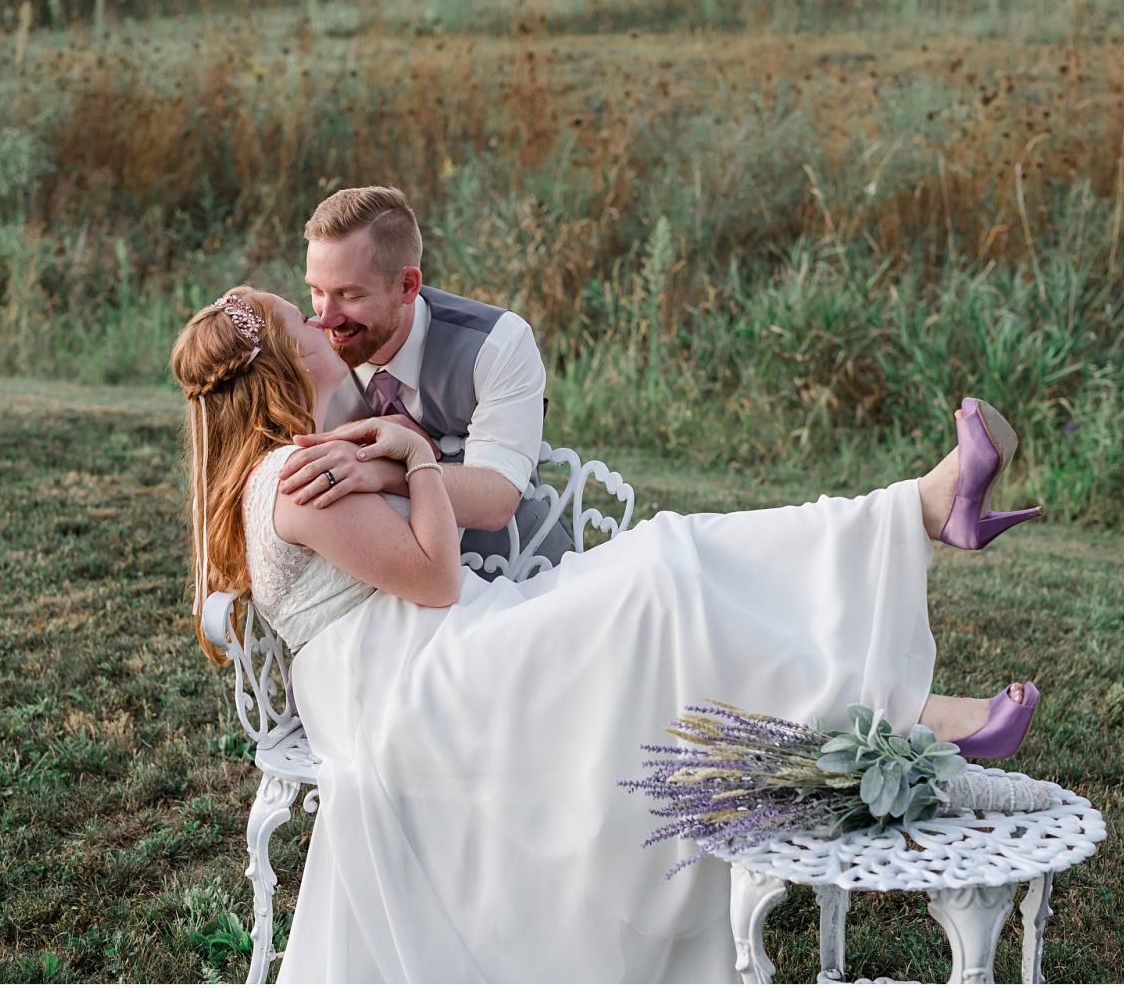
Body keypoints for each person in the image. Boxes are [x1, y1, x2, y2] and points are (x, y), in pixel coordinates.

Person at [172, 288, 1044, 983]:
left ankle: (921, 516)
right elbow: (433, 580)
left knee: (671, 557)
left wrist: (399, 453)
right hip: (421, 689)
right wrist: (415, 452)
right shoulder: (294, 474)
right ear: (288, 362)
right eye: (302, 319)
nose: (322, 321)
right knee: (662, 587)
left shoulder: (299, 458)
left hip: (449, 648)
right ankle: (911, 686)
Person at [275, 185, 572, 575]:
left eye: (348, 294)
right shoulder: (309, 352)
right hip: (384, 589)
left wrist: (382, 467)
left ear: (407, 285)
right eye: (316, 291)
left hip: (524, 577)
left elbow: (496, 498)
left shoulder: (496, 344)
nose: (326, 317)